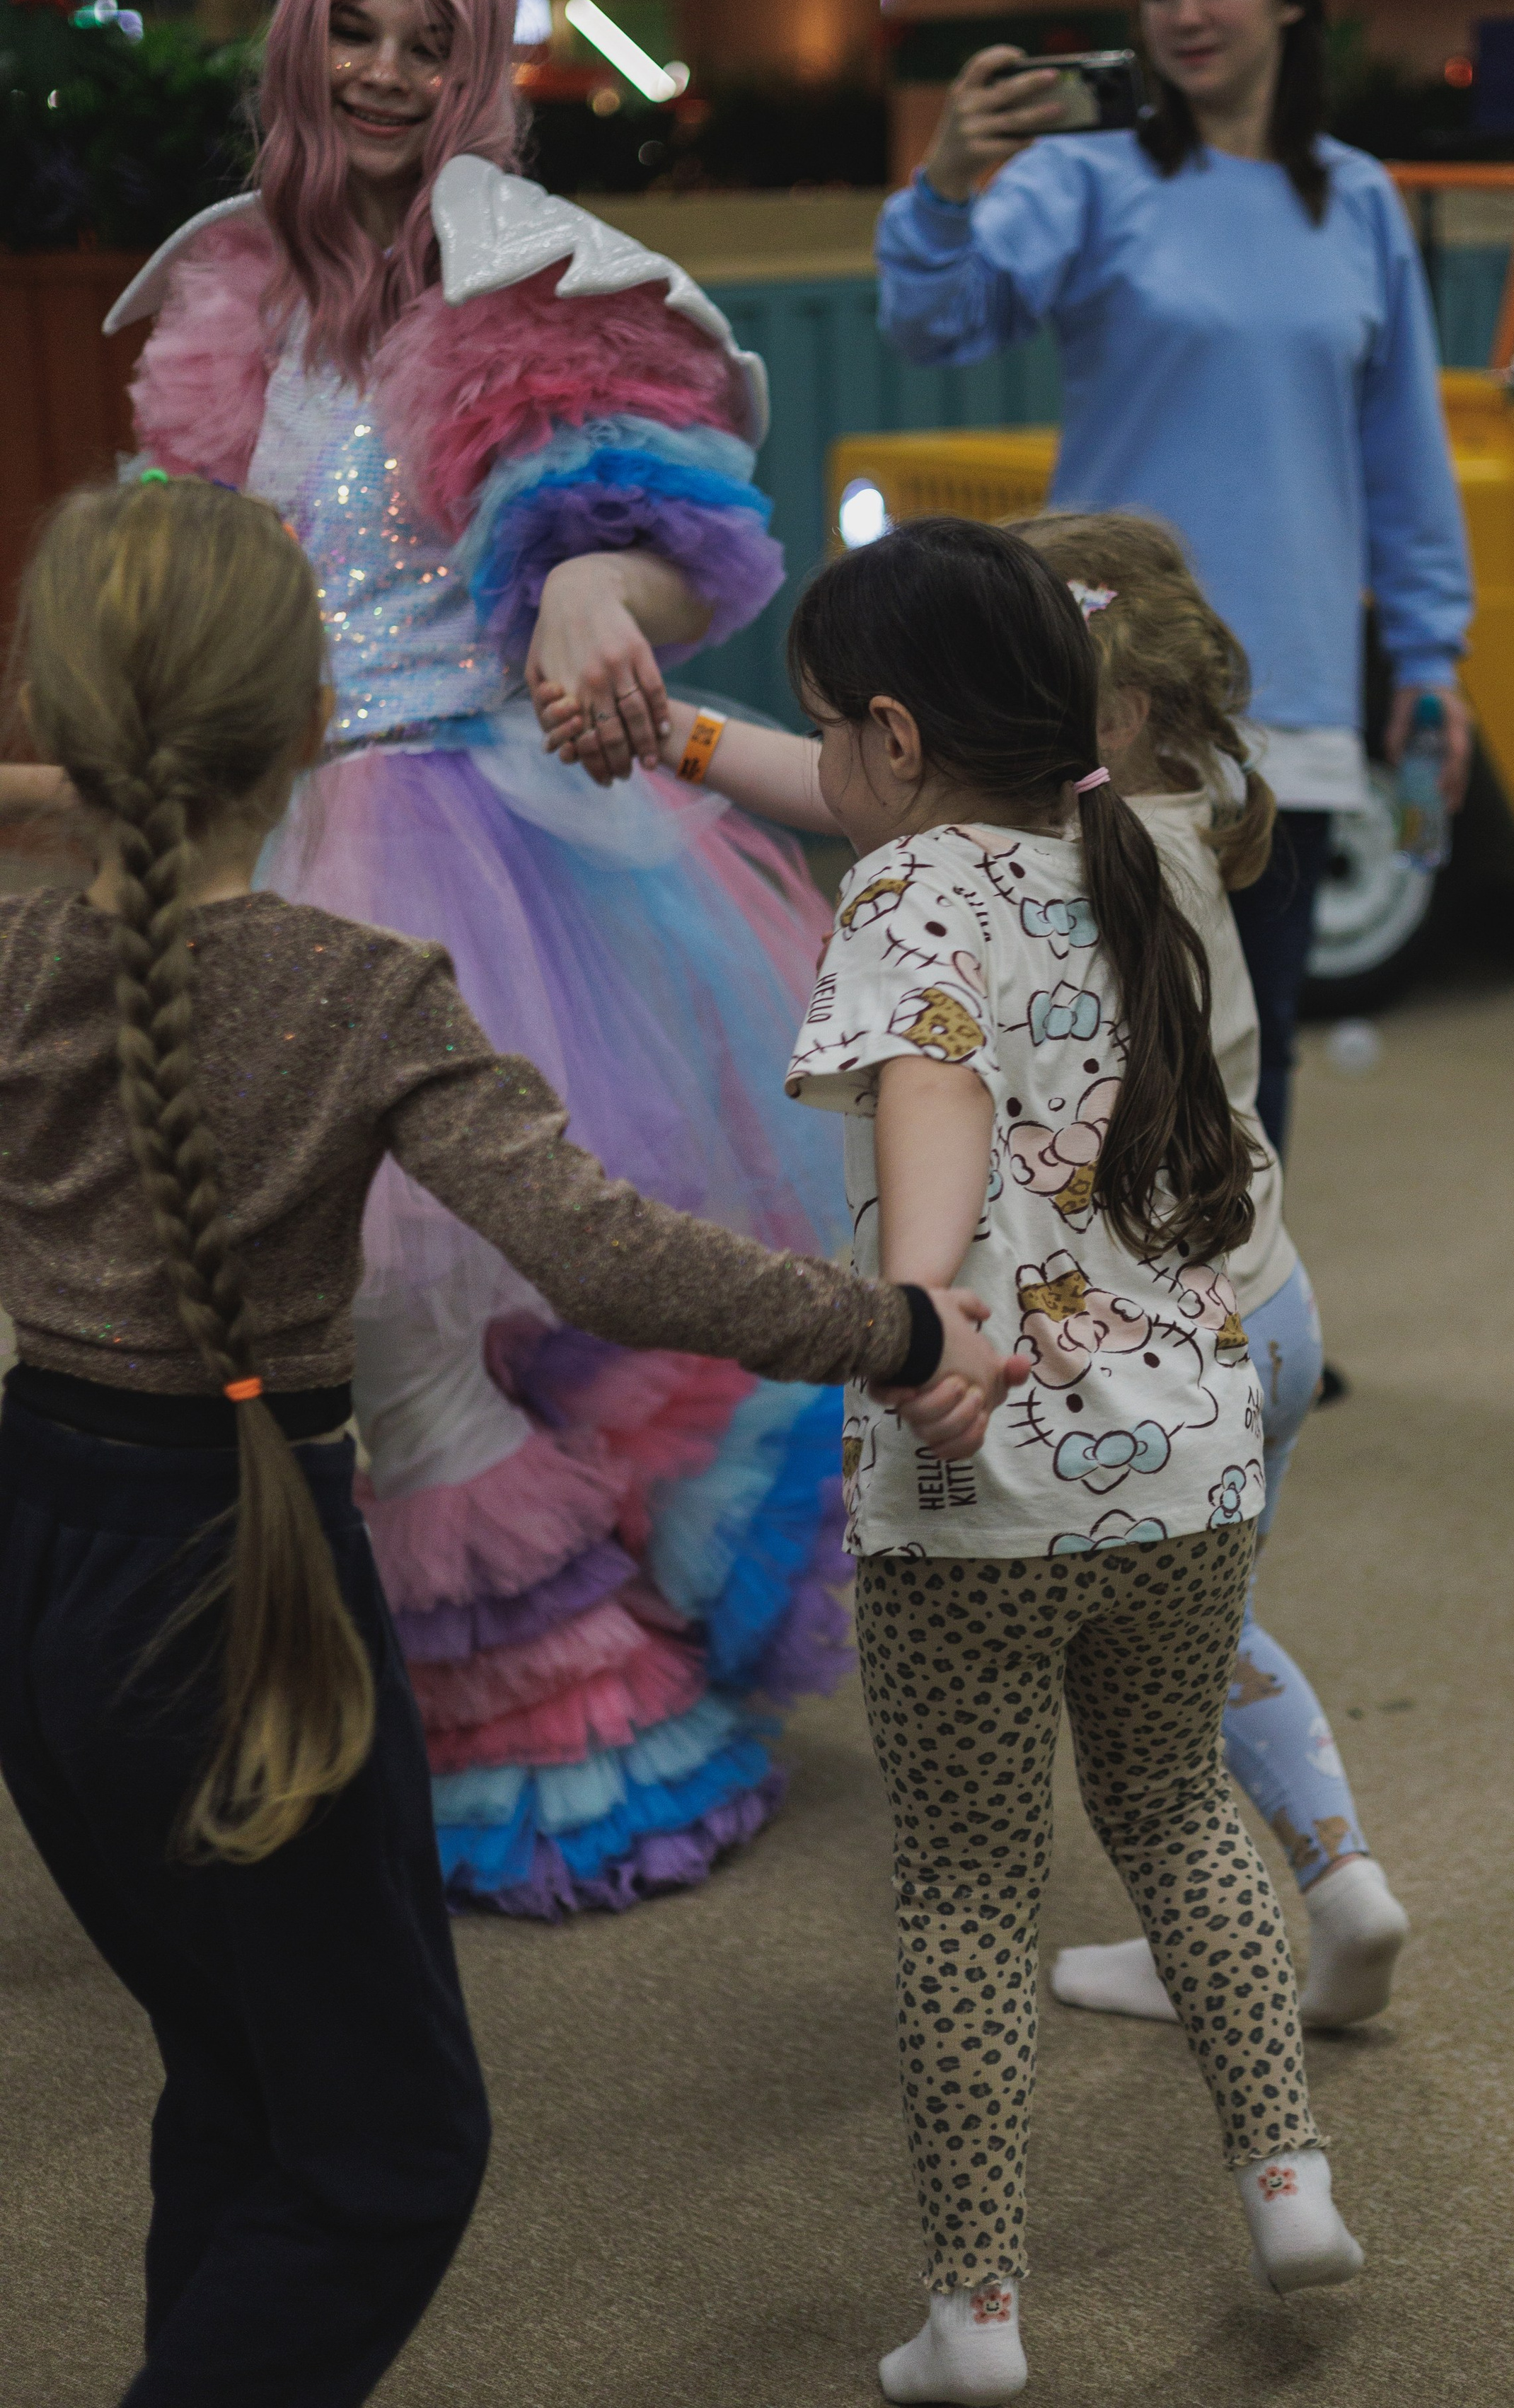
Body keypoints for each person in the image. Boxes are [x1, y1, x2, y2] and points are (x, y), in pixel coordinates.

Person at [0, 478, 1019, 2408]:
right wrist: (888, 1322)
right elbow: (608, 1256)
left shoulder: (21, 959)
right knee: (390, 2156)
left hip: (45, 1557)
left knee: (233, 2078)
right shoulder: (360, 996)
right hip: (241, 1585)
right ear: (310, 722)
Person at [100, 0, 869, 1915]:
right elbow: (185, 576)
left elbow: (626, 523)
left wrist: (595, 619)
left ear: (481, 63)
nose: (379, 71)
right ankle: (457, 1694)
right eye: (354, 23)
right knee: (362, 1324)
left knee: (452, 1312)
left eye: (424, 40)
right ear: (298, 28)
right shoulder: (223, 288)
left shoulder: (530, 272)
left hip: (480, 851)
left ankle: (575, 1739)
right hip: (265, 852)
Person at [546, 516, 1363, 2403]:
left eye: (832, 734)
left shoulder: (913, 893)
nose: (825, 768)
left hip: (984, 1489)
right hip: (1188, 1465)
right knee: (1173, 1814)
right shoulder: (1141, 852)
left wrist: (917, 1306)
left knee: (971, 1901)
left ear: (899, 744)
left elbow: (928, 1084)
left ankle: (976, 2316)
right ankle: (1289, 2177)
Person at [872, 0, 1474, 1164]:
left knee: (1256, 1034)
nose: (1186, 14)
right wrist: (944, 189)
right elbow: (933, 321)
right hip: (1109, 673)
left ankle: (1253, 1337)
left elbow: (1404, 456)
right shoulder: (1084, 177)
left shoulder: (1358, 199)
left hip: (1291, 689)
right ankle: (1110, 1355)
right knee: (1101, 1036)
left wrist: (1432, 662)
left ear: (1291, 2)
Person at [1003, 509, 1409, 2032]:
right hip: (1275, 1310)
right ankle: (1336, 1885)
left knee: (1150, 1661)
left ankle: (1268, 1914)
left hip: (1169, 1347)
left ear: (1118, 712)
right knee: (1211, 1622)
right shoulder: (1198, 807)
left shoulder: (1061, 853)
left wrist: (700, 744)